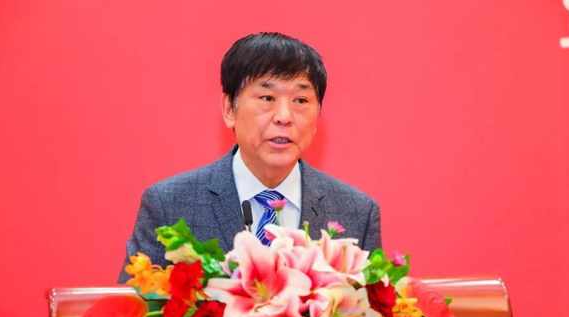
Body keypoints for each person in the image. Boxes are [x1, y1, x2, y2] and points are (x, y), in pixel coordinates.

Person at [118, 32, 382, 283]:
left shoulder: (356, 213)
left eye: (301, 100)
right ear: (229, 109)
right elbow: (133, 309)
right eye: (267, 97)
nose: (284, 116)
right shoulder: (170, 205)